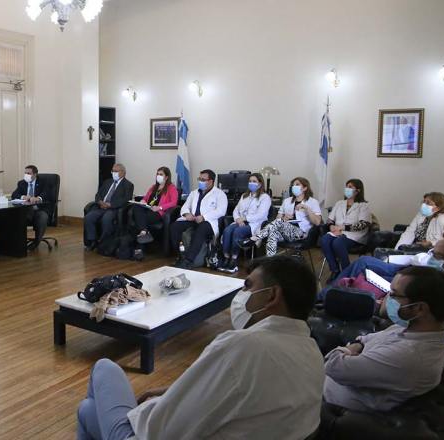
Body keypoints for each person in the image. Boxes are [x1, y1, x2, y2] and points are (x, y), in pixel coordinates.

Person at [76, 256, 324, 440]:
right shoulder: (312, 352)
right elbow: (240, 392)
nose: (242, 293)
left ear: (272, 296)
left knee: (104, 368)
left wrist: (156, 406)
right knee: (87, 411)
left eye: (248, 286)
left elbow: (163, 430)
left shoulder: (243, 346)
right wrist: (170, 392)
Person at [323, 266, 444, 412]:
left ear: (419, 308)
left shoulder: (410, 355)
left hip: (327, 401)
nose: (386, 298)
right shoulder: (412, 327)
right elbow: (364, 339)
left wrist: (350, 349)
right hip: (329, 380)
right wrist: (355, 346)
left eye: (394, 294)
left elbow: (332, 366)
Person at [250, 177, 322, 256]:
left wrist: (307, 208)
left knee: (276, 227)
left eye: (297, 184)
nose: (294, 187)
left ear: (305, 188)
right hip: (285, 232)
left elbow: (317, 222)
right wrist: (284, 218)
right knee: (272, 234)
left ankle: (257, 237)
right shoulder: (287, 201)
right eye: (293, 185)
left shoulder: (313, 202)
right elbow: (277, 219)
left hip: (302, 233)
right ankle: (271, 261)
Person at [170, 169, 227, 269]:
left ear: (211, 181)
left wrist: (204, 217)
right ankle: (181, 256)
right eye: (199, 179)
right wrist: (187, 214)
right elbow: (185, 206)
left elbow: (221, 211)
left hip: (208, 222)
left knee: (201, 229)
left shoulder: (219, 194)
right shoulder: (194, 193)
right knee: (175, 227)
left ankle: (189, 260)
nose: (200, 181)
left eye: (203, 180)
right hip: (193, 220)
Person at [321, 179, 372, 283]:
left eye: (350, 187)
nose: (347, 189)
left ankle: (347, 273)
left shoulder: (363, 205)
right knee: (324, 240)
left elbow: (363, 224)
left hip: (354, 235)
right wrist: (331, 226)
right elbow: (330, 219)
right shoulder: (339, 203)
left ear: (358, 190)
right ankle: (335, 270)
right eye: (346, 186)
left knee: (337, 243)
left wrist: (342, 228)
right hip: (336, 231)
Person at [220, 172, 271, 272]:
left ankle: (234, 260)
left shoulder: (265, 197)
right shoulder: (244, 196)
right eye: (250, 181)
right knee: (227, 230)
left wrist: (245, 219)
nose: (251, 183)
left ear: (260, 184)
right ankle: (226, 258)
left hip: (254, 225)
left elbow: (261, 215)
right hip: (240, 222)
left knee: (237, 231)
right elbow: (236, 210)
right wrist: (238, 219)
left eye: (254, 181)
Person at [84, 163, 134, 250]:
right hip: (101, 207)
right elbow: (98, 194)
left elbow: (126, 199)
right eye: (112, 171)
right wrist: (100, 202)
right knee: (89, 217)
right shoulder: (107, 182)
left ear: (123, 172)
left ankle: (103, 243)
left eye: (116, 171)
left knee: (106, 219)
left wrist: (111, 205)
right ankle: (92, 241)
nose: (113, 173)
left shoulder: (128, 185)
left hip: (114, 209)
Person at [132, 166, 178, 244]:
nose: (158, 176)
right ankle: (144, 231)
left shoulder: (171, 188)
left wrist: (159, 207)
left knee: (140, 218)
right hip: (147, 208)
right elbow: (145, 198)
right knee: (136, 206)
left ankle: (143, 234)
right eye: (157, 174)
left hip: (157, 212)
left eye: (161, 174)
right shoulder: (154, 187)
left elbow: (174, 202)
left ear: (166, 177)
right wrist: (143, 201)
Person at [11, 165, 49, 250]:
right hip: (25, 210)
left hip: (39, 209)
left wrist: (38, 198)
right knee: (15, 216)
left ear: (35, 174)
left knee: (42, 217)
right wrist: (23, 197)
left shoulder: (43, 182)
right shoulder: (22, 183)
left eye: (28, 173)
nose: (26, 175)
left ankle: (36, 242)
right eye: (25, 173)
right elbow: (14, 194)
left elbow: (47, 194)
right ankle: (17, 242)